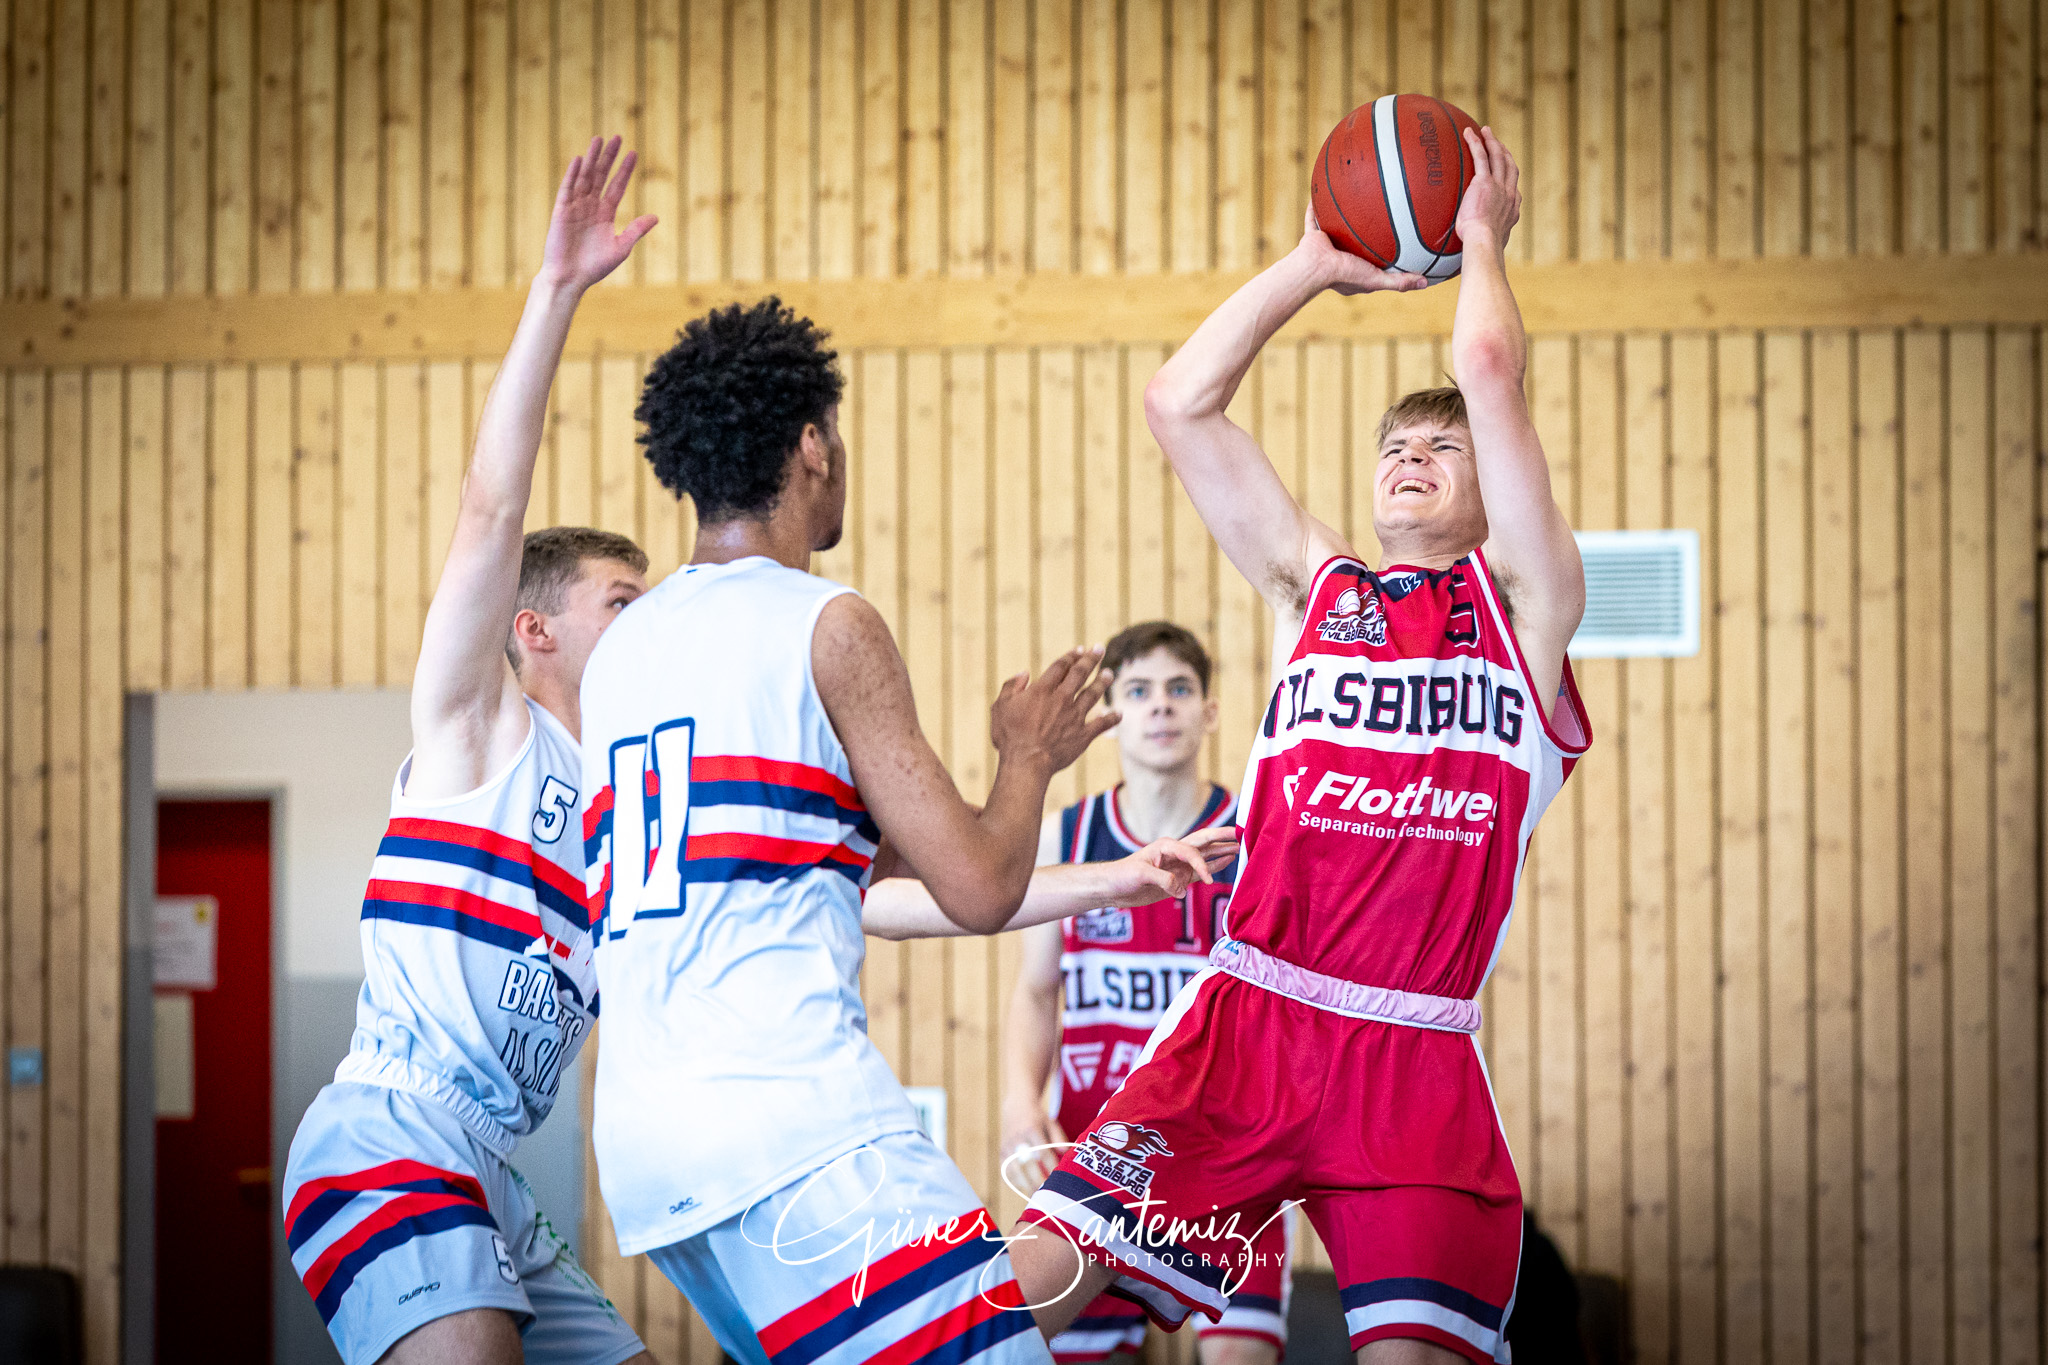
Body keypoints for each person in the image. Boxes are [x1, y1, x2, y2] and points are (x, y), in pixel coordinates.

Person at [1008, 127, 1591, 1365]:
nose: (1407, 460)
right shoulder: (1313, 592)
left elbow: (1486, 363)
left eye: (1438, 449)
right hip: (1249, 1023)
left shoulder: (1526, 610)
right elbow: (1178, 401)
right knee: (1014, 1295)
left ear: (1494, 484)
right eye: (1391, 447)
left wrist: (1476, 232)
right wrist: (1311, 262)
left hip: (1412, 1054)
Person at [580, 296, 1229, 1365]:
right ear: (810, 447)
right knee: (1003, 1350)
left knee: (978, 1328)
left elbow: (856, 869)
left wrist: (1107, 880)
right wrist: (1027, 755)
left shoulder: (627, 649)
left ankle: (1125, 1211)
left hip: (650, 1148)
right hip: (793, 1125)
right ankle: (1132, 1209)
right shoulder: (824, 620)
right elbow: (975, 885)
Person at [281, 138, 660, 1365]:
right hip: (388, 1137)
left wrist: (1113, 879)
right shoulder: (480, 728)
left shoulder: (632, 807)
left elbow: (867, 900)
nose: (648, 625)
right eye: (623, 601)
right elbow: (491, 511)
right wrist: (554, 294)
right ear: (534, 628)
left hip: (488, 1171)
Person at [999, 622, 1287, 1365]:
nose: (1161, 706)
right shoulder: (1070, 832)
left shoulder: (1254, 839)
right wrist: (1017, 1101)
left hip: (1230, 1148)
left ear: (1210, 711)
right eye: (1139, 691)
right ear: (1113, 713)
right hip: (1098, 1144)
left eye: (1179, 689)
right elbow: (1036, 990)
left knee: (1243, 1356)